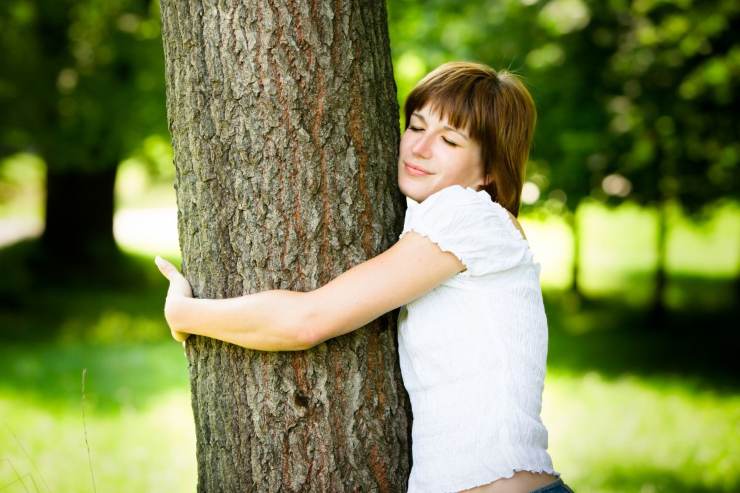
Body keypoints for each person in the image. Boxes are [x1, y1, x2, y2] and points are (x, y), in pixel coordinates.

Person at [155, 61, 575, 493]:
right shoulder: (457, 225)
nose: (421, 148)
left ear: (489, 172)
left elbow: (307, 321)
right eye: (415, 127)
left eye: (449, 140)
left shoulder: (466, 216)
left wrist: (186, 313)